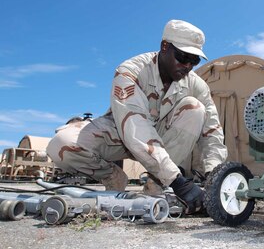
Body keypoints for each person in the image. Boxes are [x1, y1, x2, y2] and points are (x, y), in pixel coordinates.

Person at [46, 20, 228, 214]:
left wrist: (214, 179)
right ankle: (113, 177)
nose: (188, 66)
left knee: (195, 108)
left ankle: (154, 188)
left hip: (164, 137)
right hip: (121, 131)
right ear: (164, 46)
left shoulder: (197, 85)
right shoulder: (130, 71)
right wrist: (179, 183)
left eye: (195, 61)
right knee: (60, 145)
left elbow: (213, 133)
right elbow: (135, 127)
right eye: (183, 57)